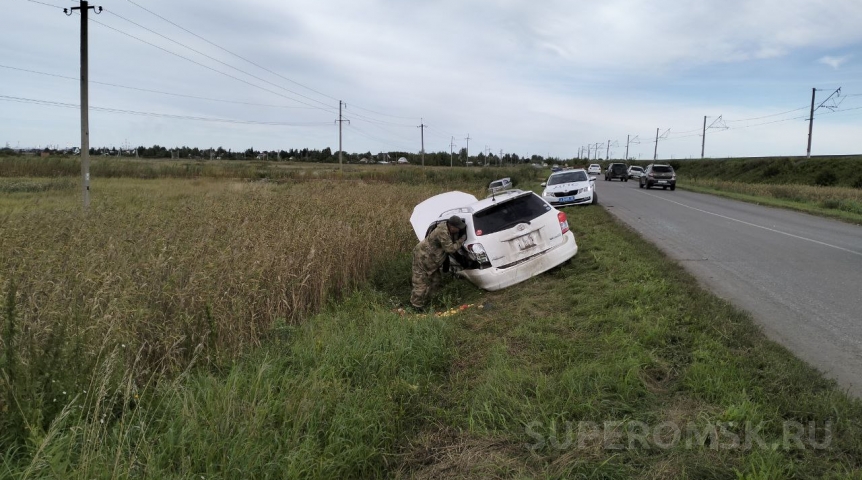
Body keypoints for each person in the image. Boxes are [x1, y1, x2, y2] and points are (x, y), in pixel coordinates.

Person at [410, 215, 467, 310]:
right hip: (422, 257)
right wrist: (461, 240)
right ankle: (416, 306)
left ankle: (431, 301)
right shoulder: (442, 232)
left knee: (436, 281)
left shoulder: (449, 229)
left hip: (432, 260)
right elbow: (450, 249)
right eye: (457, 228)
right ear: (451, 226)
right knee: (420, 283)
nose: (458, 230)